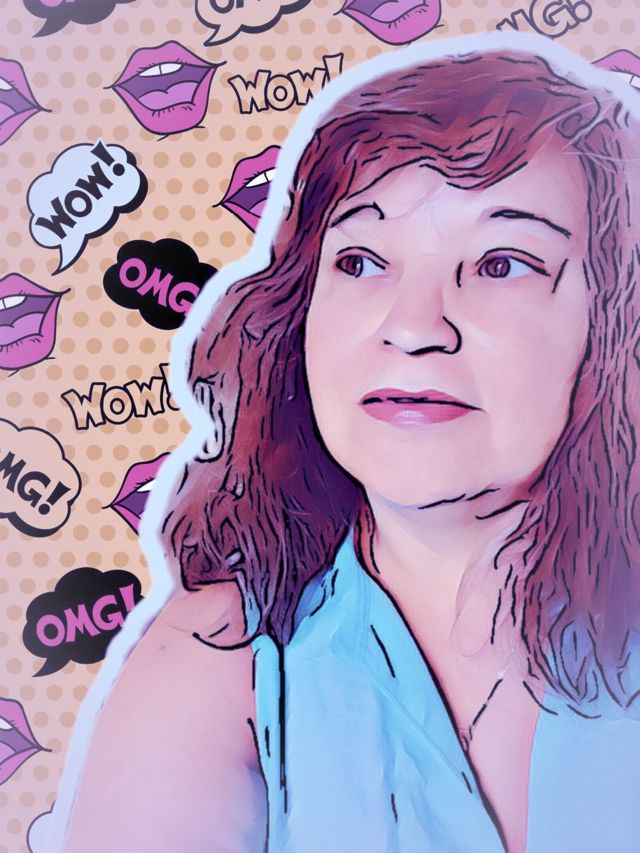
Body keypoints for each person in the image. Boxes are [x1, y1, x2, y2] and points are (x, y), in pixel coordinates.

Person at [59, 34, 640, 853]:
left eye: (502, 262)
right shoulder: (223, 658)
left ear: (613, 324)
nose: (413, 326)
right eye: (362, 261)